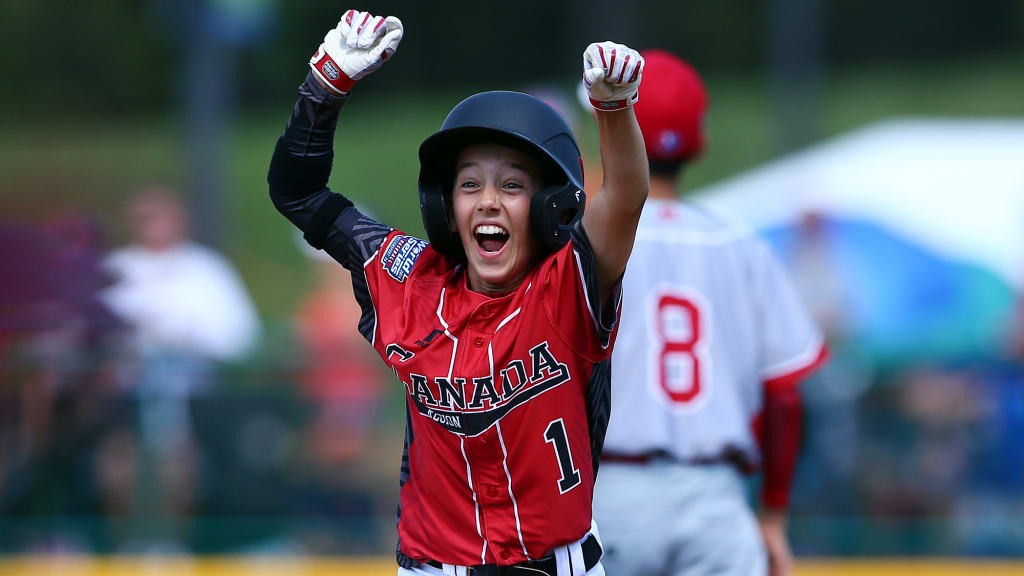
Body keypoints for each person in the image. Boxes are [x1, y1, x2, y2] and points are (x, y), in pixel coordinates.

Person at [267, 9, 648, 575]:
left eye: (512, 185)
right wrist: (325, 86)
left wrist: (614, 110)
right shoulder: (409, 278)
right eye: (469, 184)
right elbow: (297, 192)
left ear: (549, 208)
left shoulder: (567, 285)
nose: (488, 201)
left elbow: (624, 197)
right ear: (444, 206)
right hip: (432, 566)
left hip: (557, 564)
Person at [590, 51, 828, 576]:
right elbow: (785, 398)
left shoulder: (586, 247)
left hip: (608, 494)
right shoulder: (741, 245)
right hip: (715, 497)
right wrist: (771, 513)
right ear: (701, 140)